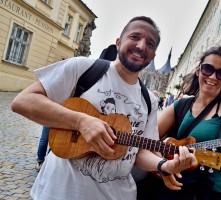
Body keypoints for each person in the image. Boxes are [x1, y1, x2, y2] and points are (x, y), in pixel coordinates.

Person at [11, 16, 197, 200]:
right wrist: (80, 121)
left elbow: (139, 151)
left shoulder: (150, 100)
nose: (141, 46)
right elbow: (23, 101)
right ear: (118, 41)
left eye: (150, 43)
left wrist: (164, 166)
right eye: (135, 37)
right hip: (59, 192)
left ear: (153, 55)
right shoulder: (83, 68)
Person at [154, 46, 221, 199]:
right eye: (207, 69)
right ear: (198, 70)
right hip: (175, 187)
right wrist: (161, 167)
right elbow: (149, 139)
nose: (213, 77)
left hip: (213, 193)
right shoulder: (180, 105)